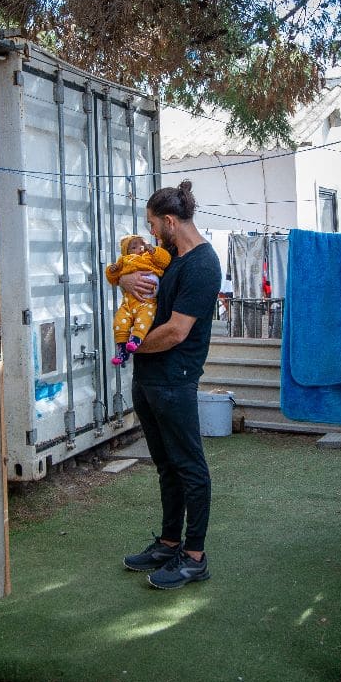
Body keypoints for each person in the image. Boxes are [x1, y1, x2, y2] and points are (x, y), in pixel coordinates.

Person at [117, 180, 222, 590]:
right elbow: (135, 277)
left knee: (189, 467)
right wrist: (124, 282)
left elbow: (177, 331)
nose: (150, 232)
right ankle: (168, 543)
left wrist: (132, 348)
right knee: (166, 466)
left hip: (175, 379)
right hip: (149, 378)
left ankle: (194, 557)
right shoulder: (171, 256)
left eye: (152, 224)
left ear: (170, 221)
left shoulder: (202, 264)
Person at [104, 234, 172, 366]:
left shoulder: (150, 257)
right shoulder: (124, 260)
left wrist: (154, 251)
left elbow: (165, 260)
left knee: (144, 319)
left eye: (142, 245)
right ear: (127, 252)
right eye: (134, 247)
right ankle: (121, 350)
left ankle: (135, 340)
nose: (140, 248)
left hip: (147, 302)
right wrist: (112, 271)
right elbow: (113, 279)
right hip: (128, 302)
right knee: (119, 321)